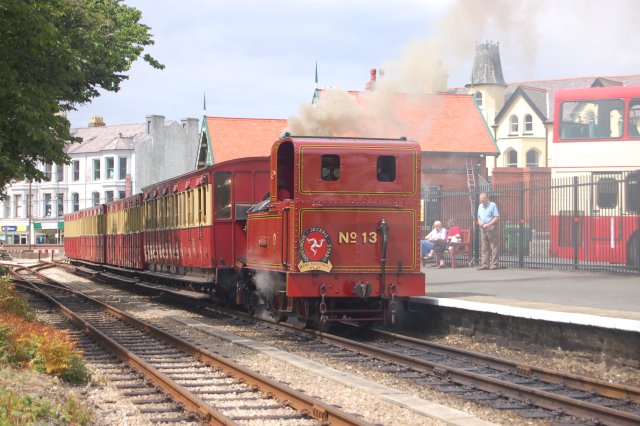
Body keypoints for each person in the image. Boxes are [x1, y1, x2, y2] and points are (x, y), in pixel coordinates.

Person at [477, 192, 500, 270]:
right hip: (483, 227)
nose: (481, 200)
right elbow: (479, 217)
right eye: (480, 199)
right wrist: (480, 222)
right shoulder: (480, 206)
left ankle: (494, 264)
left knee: (493, 246)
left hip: (491, 227)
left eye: (482, 199)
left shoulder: (492, 205)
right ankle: (485, 264)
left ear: (487, 198)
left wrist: (489, 224)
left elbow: (496, 217)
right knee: (484, 246)